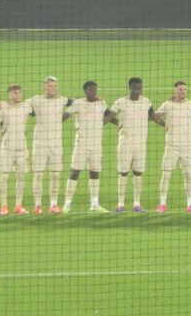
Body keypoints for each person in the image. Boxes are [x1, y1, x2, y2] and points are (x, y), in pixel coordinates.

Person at [108, 77, 160, 212]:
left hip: (141, 144)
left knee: (138, 173)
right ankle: (120, 204)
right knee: (123, 173)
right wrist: (117, 123)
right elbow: (109, 116)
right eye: (135, 88)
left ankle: (137, 204)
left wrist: (167, 125)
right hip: (125, 144)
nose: (137, 91)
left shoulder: (146, 101)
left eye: (139, 88)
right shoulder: (120, 102)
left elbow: (153, 116)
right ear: (129, 88)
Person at [62, 81, 109, 213]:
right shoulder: (78, 103)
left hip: (97, 145)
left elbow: (110, 114)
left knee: (95, 173)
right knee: (74, 172)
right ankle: (67, 204)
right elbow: (65, 115)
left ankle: (94, 204)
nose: (93, 92)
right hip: (81, 144)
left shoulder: (101, 103)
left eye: (95, 90)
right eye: (90, 90)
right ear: (85, 91)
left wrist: (120, 123)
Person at [26, 76, 69, 214]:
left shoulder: (62, 100)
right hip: (40, 144)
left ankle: (53, 204)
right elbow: (20, 105)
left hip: (57, 145)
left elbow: (78, 103)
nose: (53, 89)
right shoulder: (36, 100)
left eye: (55, 86)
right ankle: (38, 205)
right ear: (45, 86)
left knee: (56, 175)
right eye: (50, 86)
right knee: (38, 175)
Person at [155, 81, 191, 213]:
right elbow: (155, 115)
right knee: (166, 174)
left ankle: (190, 204)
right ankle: (162, 203)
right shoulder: (167, 104)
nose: (183, 91)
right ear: (175, 90)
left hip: (187, 146)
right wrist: (165, 124)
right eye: (180, 89)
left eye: (185, 89)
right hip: (172, 145)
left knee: (189, 175)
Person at [0, 84, 32, 214]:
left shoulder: (26, 106)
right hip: (7, 147)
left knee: (21, 176)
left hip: (22, 147)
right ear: (9, 94)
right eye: (14, 93)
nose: (17, 95)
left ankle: (18, 206)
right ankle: (4, 206)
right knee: (4, 176)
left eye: (19, 93)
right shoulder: (2, 107)